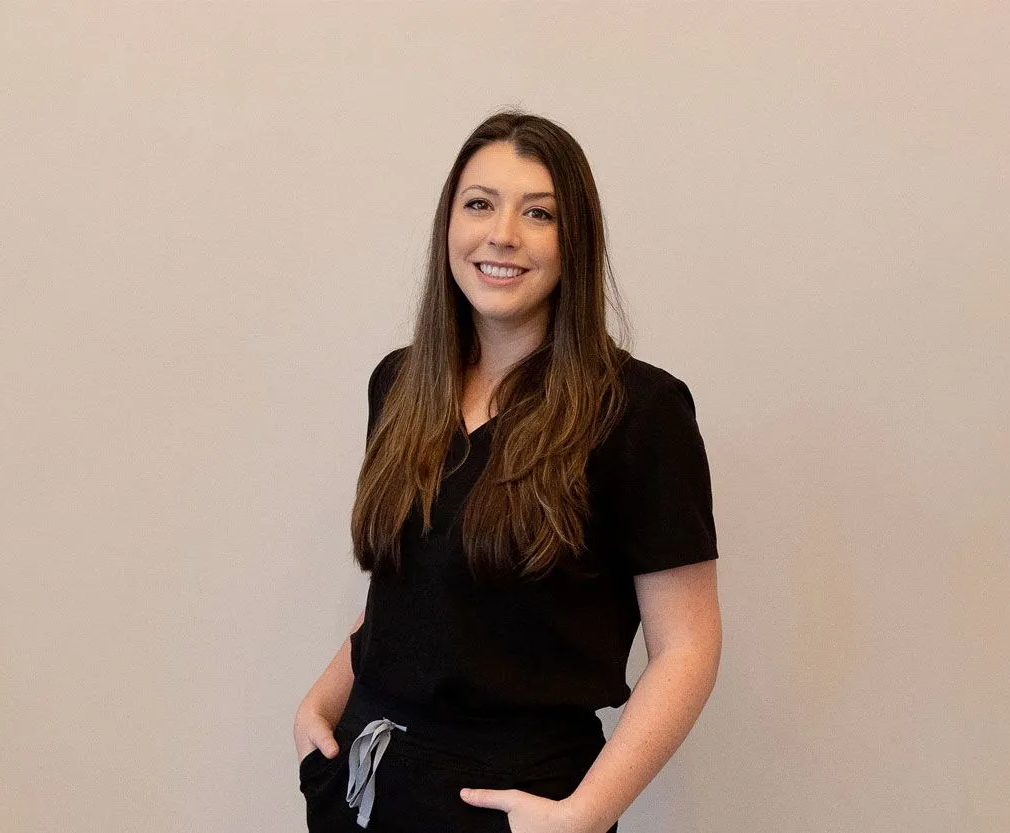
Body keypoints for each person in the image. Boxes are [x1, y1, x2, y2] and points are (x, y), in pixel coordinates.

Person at [293, 111, 721, 833]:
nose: (503, 235)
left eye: (539, 213)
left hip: (519, 806)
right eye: (480, 204)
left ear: (574, 240)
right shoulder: (400, 385)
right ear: (449, 224)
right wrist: (321, 702)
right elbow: (408, 589)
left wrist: (585, 812)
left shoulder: (640, 411)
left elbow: (688, 646)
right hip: (367, 789)